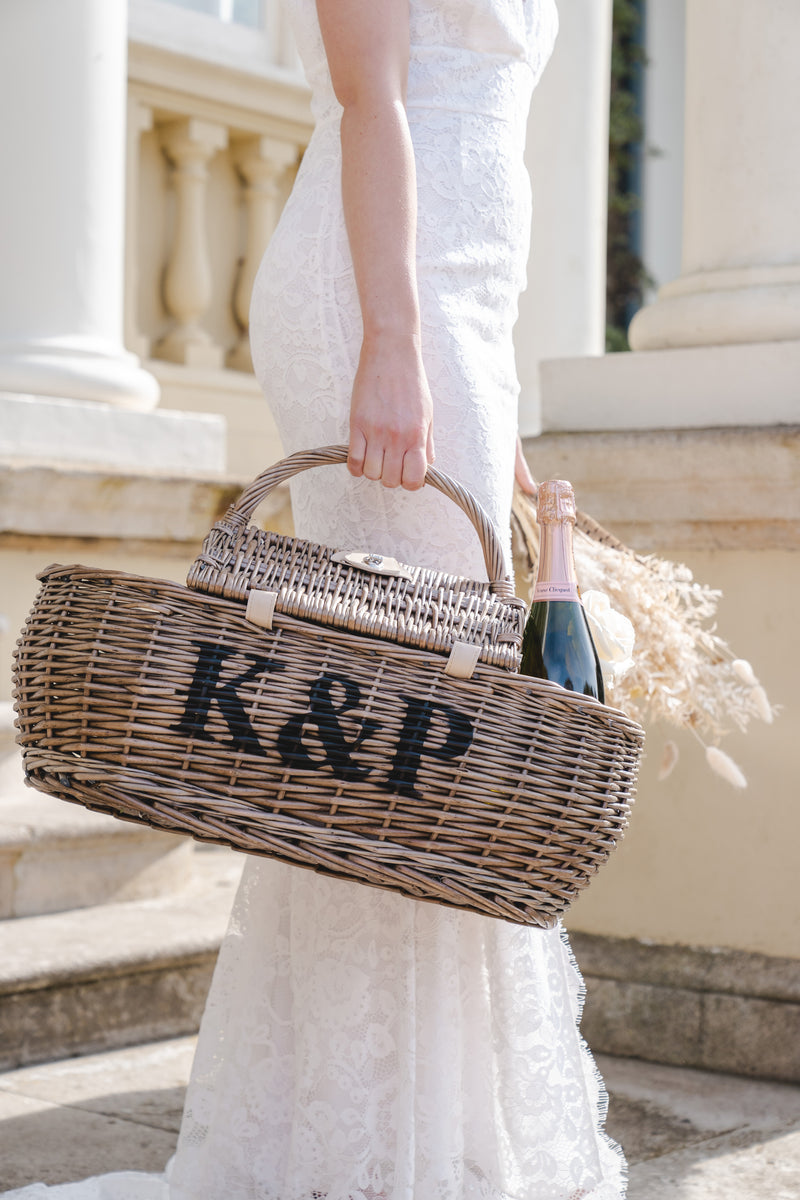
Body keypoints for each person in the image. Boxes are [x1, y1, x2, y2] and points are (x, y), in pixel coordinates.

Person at [2, 1, 626, 1197]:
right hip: (381, 288)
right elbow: (368, 96)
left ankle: (410, 1125)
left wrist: (484, 426)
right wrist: (391, 343)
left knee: (418, 727)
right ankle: (367, 1145)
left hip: (453, 298)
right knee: (387, 730)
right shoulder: (387, 313)